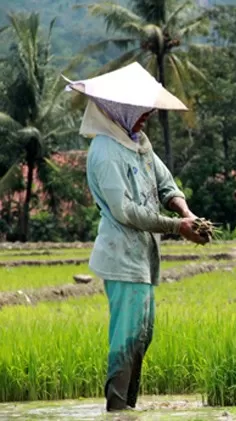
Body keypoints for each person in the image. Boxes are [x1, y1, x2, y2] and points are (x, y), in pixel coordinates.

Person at [63, 62, 208, 412]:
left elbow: (165, 184)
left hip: (143, 257)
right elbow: (124, 211)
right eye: (141, 111)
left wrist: (186, 213)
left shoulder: (138, 142)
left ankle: (129, 407)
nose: (146, 117)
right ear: (118, 109)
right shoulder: (104, 151)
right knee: (126, 337)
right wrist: (177, 228)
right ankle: (116, 408)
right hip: (121, 257)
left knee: (143, 336)